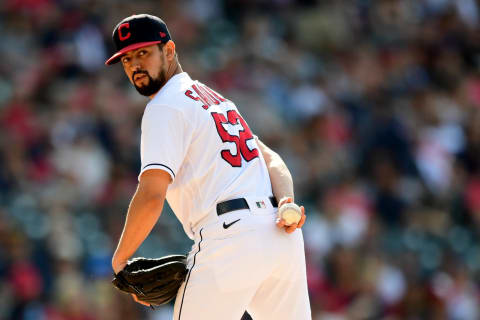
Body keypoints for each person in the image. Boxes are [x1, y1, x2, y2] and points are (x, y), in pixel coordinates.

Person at [106, 14, 311, 319]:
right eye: (127, 59)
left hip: (230, 239)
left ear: (170, 50)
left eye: (143, 53)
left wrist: (121, 261)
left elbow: (151, 195)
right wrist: (285, 201)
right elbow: (271, 159)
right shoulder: (217, 100)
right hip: (281, 239)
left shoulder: (163, 105)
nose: (135, 65)